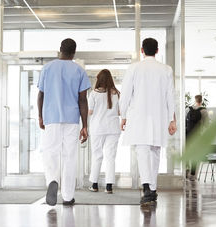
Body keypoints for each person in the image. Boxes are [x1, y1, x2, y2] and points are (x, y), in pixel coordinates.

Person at [119, 38, 177, 206]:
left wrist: (123, 116)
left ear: (142, 51)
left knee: (143, 152)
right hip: (159, 117)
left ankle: (147, 188)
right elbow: (170, 96)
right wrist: (172, 119)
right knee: (155, 152)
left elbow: (126, 95)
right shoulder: (166, 69)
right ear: (157, 51)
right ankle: (151, 188)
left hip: (139, 116)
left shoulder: (134, 68)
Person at [37, 38, 91, 206]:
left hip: (51, 118)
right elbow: (83, 100)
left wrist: (40, 116)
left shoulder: (47, 68)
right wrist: (85, 125)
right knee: (69, 156)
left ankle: (52, 180)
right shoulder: (79, 71)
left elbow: (41, 95)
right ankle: (68, 196)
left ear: (59, 50)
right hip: (71, 119)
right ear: (74, 53)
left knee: (50, 152)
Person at [87, 69, 121, 194]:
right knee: (110, 157)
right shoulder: (116, 93)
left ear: (99, 80)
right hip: (113, 128)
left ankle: (94, 184)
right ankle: (109, 187)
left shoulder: (94, 94)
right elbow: (120, 112)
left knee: (97, 156)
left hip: (97, 128)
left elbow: (90, 111)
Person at [185, 95, 208, 177]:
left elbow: (184, 121)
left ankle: (187, 167)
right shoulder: (203, 111)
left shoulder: (188, 109)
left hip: (187, 134)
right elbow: (206, 124)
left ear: (194, 100)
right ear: (201, 101)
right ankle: (193, 172)